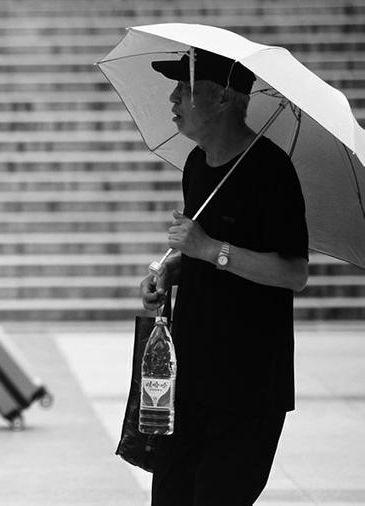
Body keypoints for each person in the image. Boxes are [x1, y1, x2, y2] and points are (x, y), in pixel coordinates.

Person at [139, 48, 309, 506]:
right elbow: (196, 257)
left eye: (187, 88)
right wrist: (169, 271)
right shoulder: (197, 164)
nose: (174, 97)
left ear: (223, 100)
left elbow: (294, 273)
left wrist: (210, 248)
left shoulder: (271, 172)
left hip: (247, 386)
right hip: (189, 375)